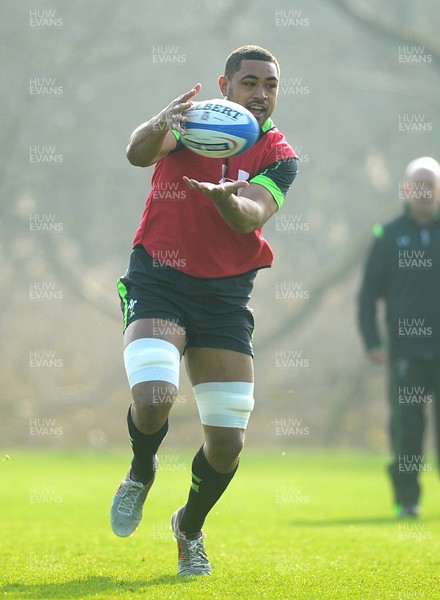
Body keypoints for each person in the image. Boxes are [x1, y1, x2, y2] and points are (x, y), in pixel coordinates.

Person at [110, 45, 298, 575]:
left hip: (223, 299)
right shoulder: (188, 124)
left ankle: (188, 526)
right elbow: (136, 154)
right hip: (159, 282)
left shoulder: (280, 155)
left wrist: (226, 200)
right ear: (225, 84)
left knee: (227, 443)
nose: (260, 94)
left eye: (270, 85)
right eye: (249, 83)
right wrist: (157, 121)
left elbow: (250, 216)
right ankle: (141, 472)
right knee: (154, 397)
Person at [357, 157, 440, 518]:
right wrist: (373, 341)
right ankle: (407, 500)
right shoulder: (387, 235)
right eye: (417, 186)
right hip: (406, 354)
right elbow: (368, 294)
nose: (423, 193)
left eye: (430, 186)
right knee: (407, 431)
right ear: (406, 190)